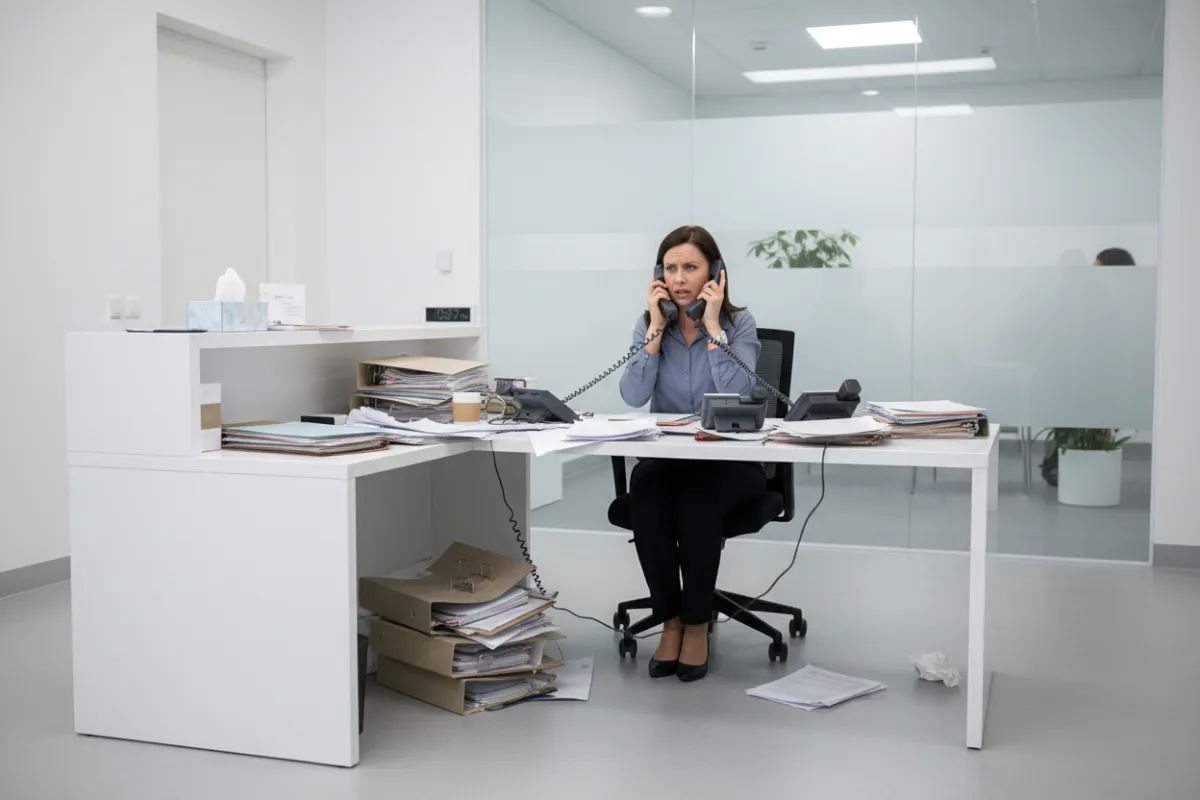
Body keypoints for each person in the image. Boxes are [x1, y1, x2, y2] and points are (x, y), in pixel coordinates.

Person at [618, 225, 764, 682]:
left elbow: (739, 393)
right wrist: (656, 331)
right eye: (670, 268)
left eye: (691, 268)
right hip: (669, 461)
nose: (679, 278)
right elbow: (632, 395)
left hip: (729, 465)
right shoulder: (648, 325)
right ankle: (671, 620)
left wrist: (715, 328)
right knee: (647, 491)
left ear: (715, 274)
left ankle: (697, 625)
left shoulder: (740, 326)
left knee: (696, 499)